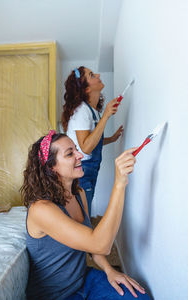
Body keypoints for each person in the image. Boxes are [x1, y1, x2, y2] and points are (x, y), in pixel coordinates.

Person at [21, 130, 151, 300]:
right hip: (55, 296)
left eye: (76, 149)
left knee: (139, 297)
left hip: (83, 280)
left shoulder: (79, 193)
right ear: (51, 168)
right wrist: (119, 183)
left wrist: (109, 269)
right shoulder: (41, 210)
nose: (80, 155)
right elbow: (100, 244)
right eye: (70, 154)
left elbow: (91, 244)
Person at [62, 66, 124, 215]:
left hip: (89, 170)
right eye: (91, 75)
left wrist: (111, 139)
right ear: (86, 89)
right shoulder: (82, 111)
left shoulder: (92, 110)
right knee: (83, 216)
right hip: (81, 170)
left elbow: (91, 140)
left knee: (84, 213)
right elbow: (85, 148)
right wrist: (106, 116)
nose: (98, 74)